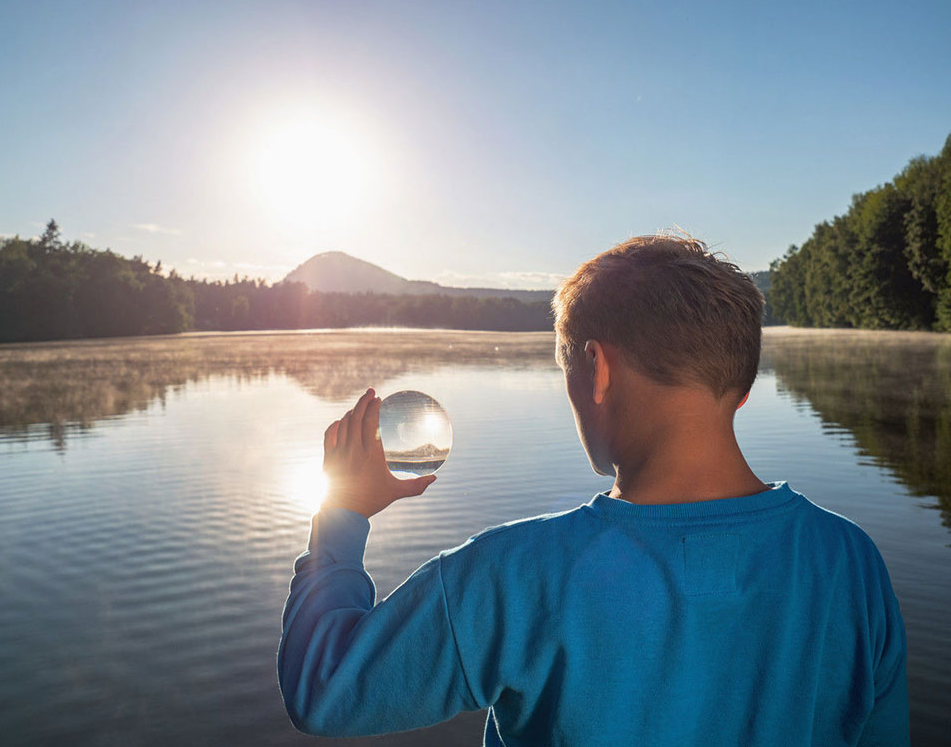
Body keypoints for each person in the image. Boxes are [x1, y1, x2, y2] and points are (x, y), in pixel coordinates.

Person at [278, 234, 909, 746]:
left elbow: (324, 690)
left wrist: (341, 510)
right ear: (741, 388)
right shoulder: (851, 564)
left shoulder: (515, 576)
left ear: (597, 370)